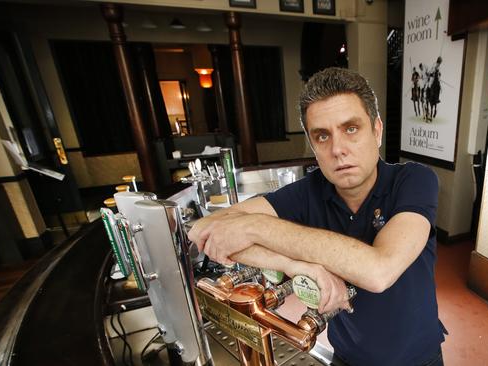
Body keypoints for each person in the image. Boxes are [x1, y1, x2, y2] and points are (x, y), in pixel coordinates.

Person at [188, 67, 446, 366]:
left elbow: (379, 271)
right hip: (346, 358)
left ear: (376, 131)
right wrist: (296, 266)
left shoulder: (413, 180)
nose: (338, 149)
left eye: (351, 129)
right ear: (312, 145)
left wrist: (255, 226)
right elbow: (201, 229)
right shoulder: (308, 192)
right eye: (322, 136)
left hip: (417, 360)